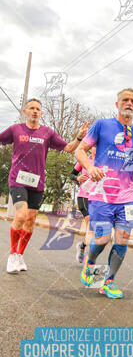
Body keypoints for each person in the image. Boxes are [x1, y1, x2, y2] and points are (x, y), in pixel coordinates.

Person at [75, 88, 133, 299]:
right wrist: (90, 169)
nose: (129, 103)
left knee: (123, 238)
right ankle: (89, 264)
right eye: (125, 100)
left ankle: (108, 281)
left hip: (128, 197)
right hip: (102, 194)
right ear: (117, 104)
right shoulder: (101, 125)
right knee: (101, 239)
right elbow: (79, 150)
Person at [0, 98, 88, 273]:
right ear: (25, 112)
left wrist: (79, 137)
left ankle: (19, 255)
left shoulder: (47, 133)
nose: (34, 111)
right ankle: (11, 255)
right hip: (17, 180)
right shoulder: (15, 130)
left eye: (37, 109)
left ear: (41, 113)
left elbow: (69, 148)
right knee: (21, 215)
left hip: (37, 183)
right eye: (31, 108)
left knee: (31, 220)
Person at [69, 148, 96, 264]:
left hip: (97, 198)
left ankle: (82, 246)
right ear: (91, 149)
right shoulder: (83, 161)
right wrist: (77, 178)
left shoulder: (104, 162)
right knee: (91, 224)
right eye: (94, 146)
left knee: (93, 229)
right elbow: (71, 175)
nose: (96, 148)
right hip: (84, 196)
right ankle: (88, 260)